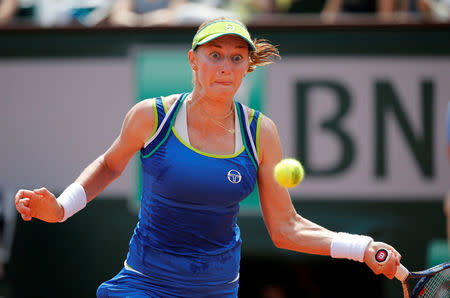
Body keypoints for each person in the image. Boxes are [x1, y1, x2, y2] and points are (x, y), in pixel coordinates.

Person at [14, 17, 401, 297]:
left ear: (247, 68)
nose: (225, 67)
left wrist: (361, 247)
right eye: (215, 54)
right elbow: (110, 165)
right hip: (145, 283)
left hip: (217, 289)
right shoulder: (151, 115)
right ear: (193, 61)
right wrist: (61, 207)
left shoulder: (260, 132)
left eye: (236, 58)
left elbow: (286, 228)